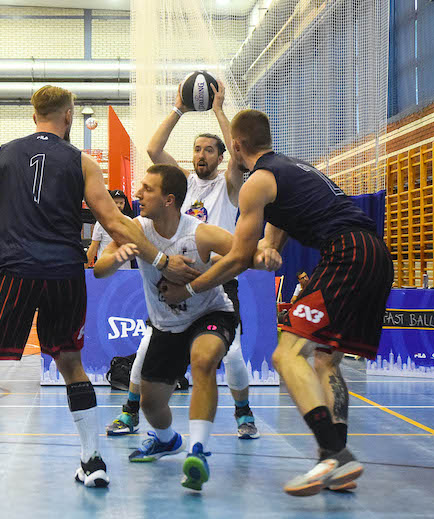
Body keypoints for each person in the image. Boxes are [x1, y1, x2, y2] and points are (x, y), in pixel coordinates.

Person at [0, 85, 198, 499]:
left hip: (14, 273)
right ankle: (93, 461)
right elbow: (115, 223)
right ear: (68, 116)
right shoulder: (81, 162)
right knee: (71, 365)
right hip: (64, 274)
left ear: (33, 116)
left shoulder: (0, 157)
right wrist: (164, 260)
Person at [162, 109, 393, 496]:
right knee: (325, 358)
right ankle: (337, 456)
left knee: (285, 355)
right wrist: (269, 247)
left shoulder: (257, 183)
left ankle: (334, 455)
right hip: (376, 256)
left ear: (235, 146)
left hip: (346, 254)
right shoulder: (292, 168)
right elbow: (278, 227)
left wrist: (189, 289)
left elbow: (237, 258)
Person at [95, 165, 267, 490]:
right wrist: (119, 256)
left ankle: (198, 451)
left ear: (169, 199)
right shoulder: (136, 228)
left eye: (147, 189)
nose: (137, 194)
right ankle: (166, 440)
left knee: (203, 362)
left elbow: (245, 253)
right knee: (150, 404)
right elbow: (100, 271)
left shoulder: (199, 232)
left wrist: (264, 254)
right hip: (166, 325)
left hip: (210, 313)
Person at [106, 80, 259, 441]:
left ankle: (243, 413)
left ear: (221, 157)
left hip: (215, 278)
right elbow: (153, 148)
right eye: (197, 149)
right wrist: (179, 108)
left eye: (209, 150)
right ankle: (131, 411)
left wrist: (219, 109)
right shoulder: (183, 185)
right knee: (147, 345)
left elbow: (240, 155)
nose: (201, 155)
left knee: (232, 354)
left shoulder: (229, 186)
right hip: (171, 276)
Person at [86, 189, 133, 267]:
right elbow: (93, 248)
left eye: (121, 203)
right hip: (104, 269)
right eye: (116, 202)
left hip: (125, 271)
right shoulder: (101, 223)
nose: (118, 205)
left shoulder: (130, 222)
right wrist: (84, 268)